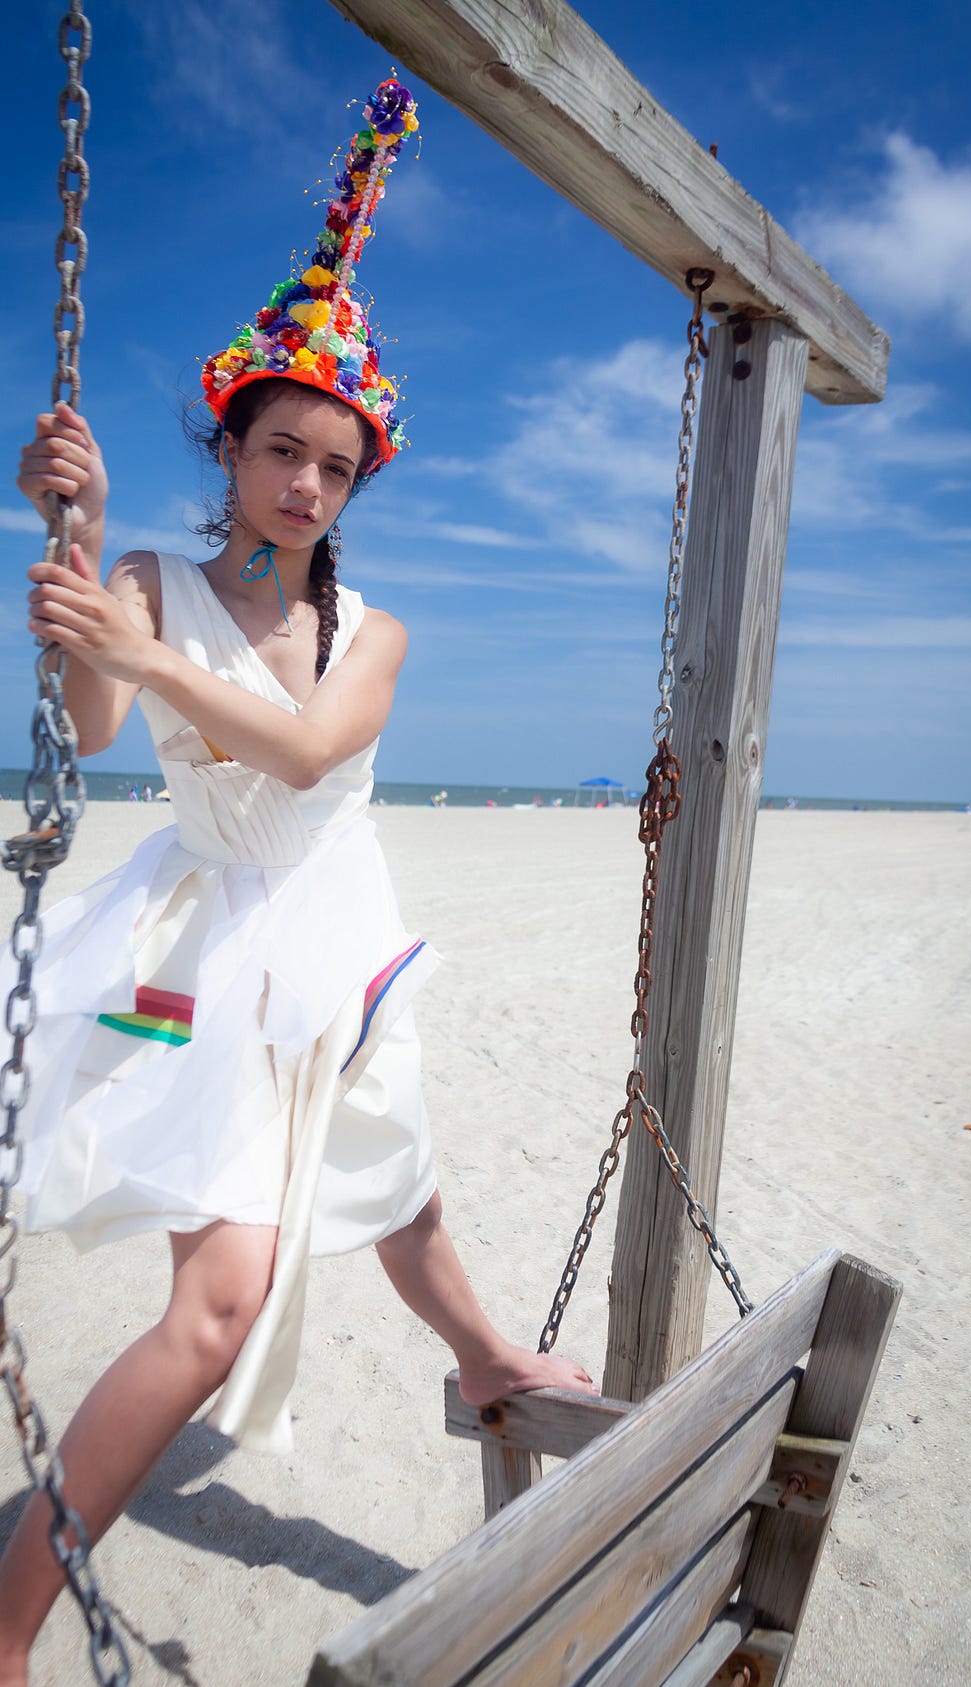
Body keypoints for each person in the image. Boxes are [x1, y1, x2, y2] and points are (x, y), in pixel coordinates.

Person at [0, 79, 592, 1682]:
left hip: (336, 916)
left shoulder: (374, 633)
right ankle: (8, 1621)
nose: (307, 487)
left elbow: (312, 753)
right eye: (283, 451)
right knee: (216, 1311)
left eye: (336, 465)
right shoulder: (151, 584)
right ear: (237, 446)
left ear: (357, 480)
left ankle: (478, 1360)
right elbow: (101, 717)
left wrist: (145, 654)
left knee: (392, 1169)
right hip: (206, 940)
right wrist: (92, 551)